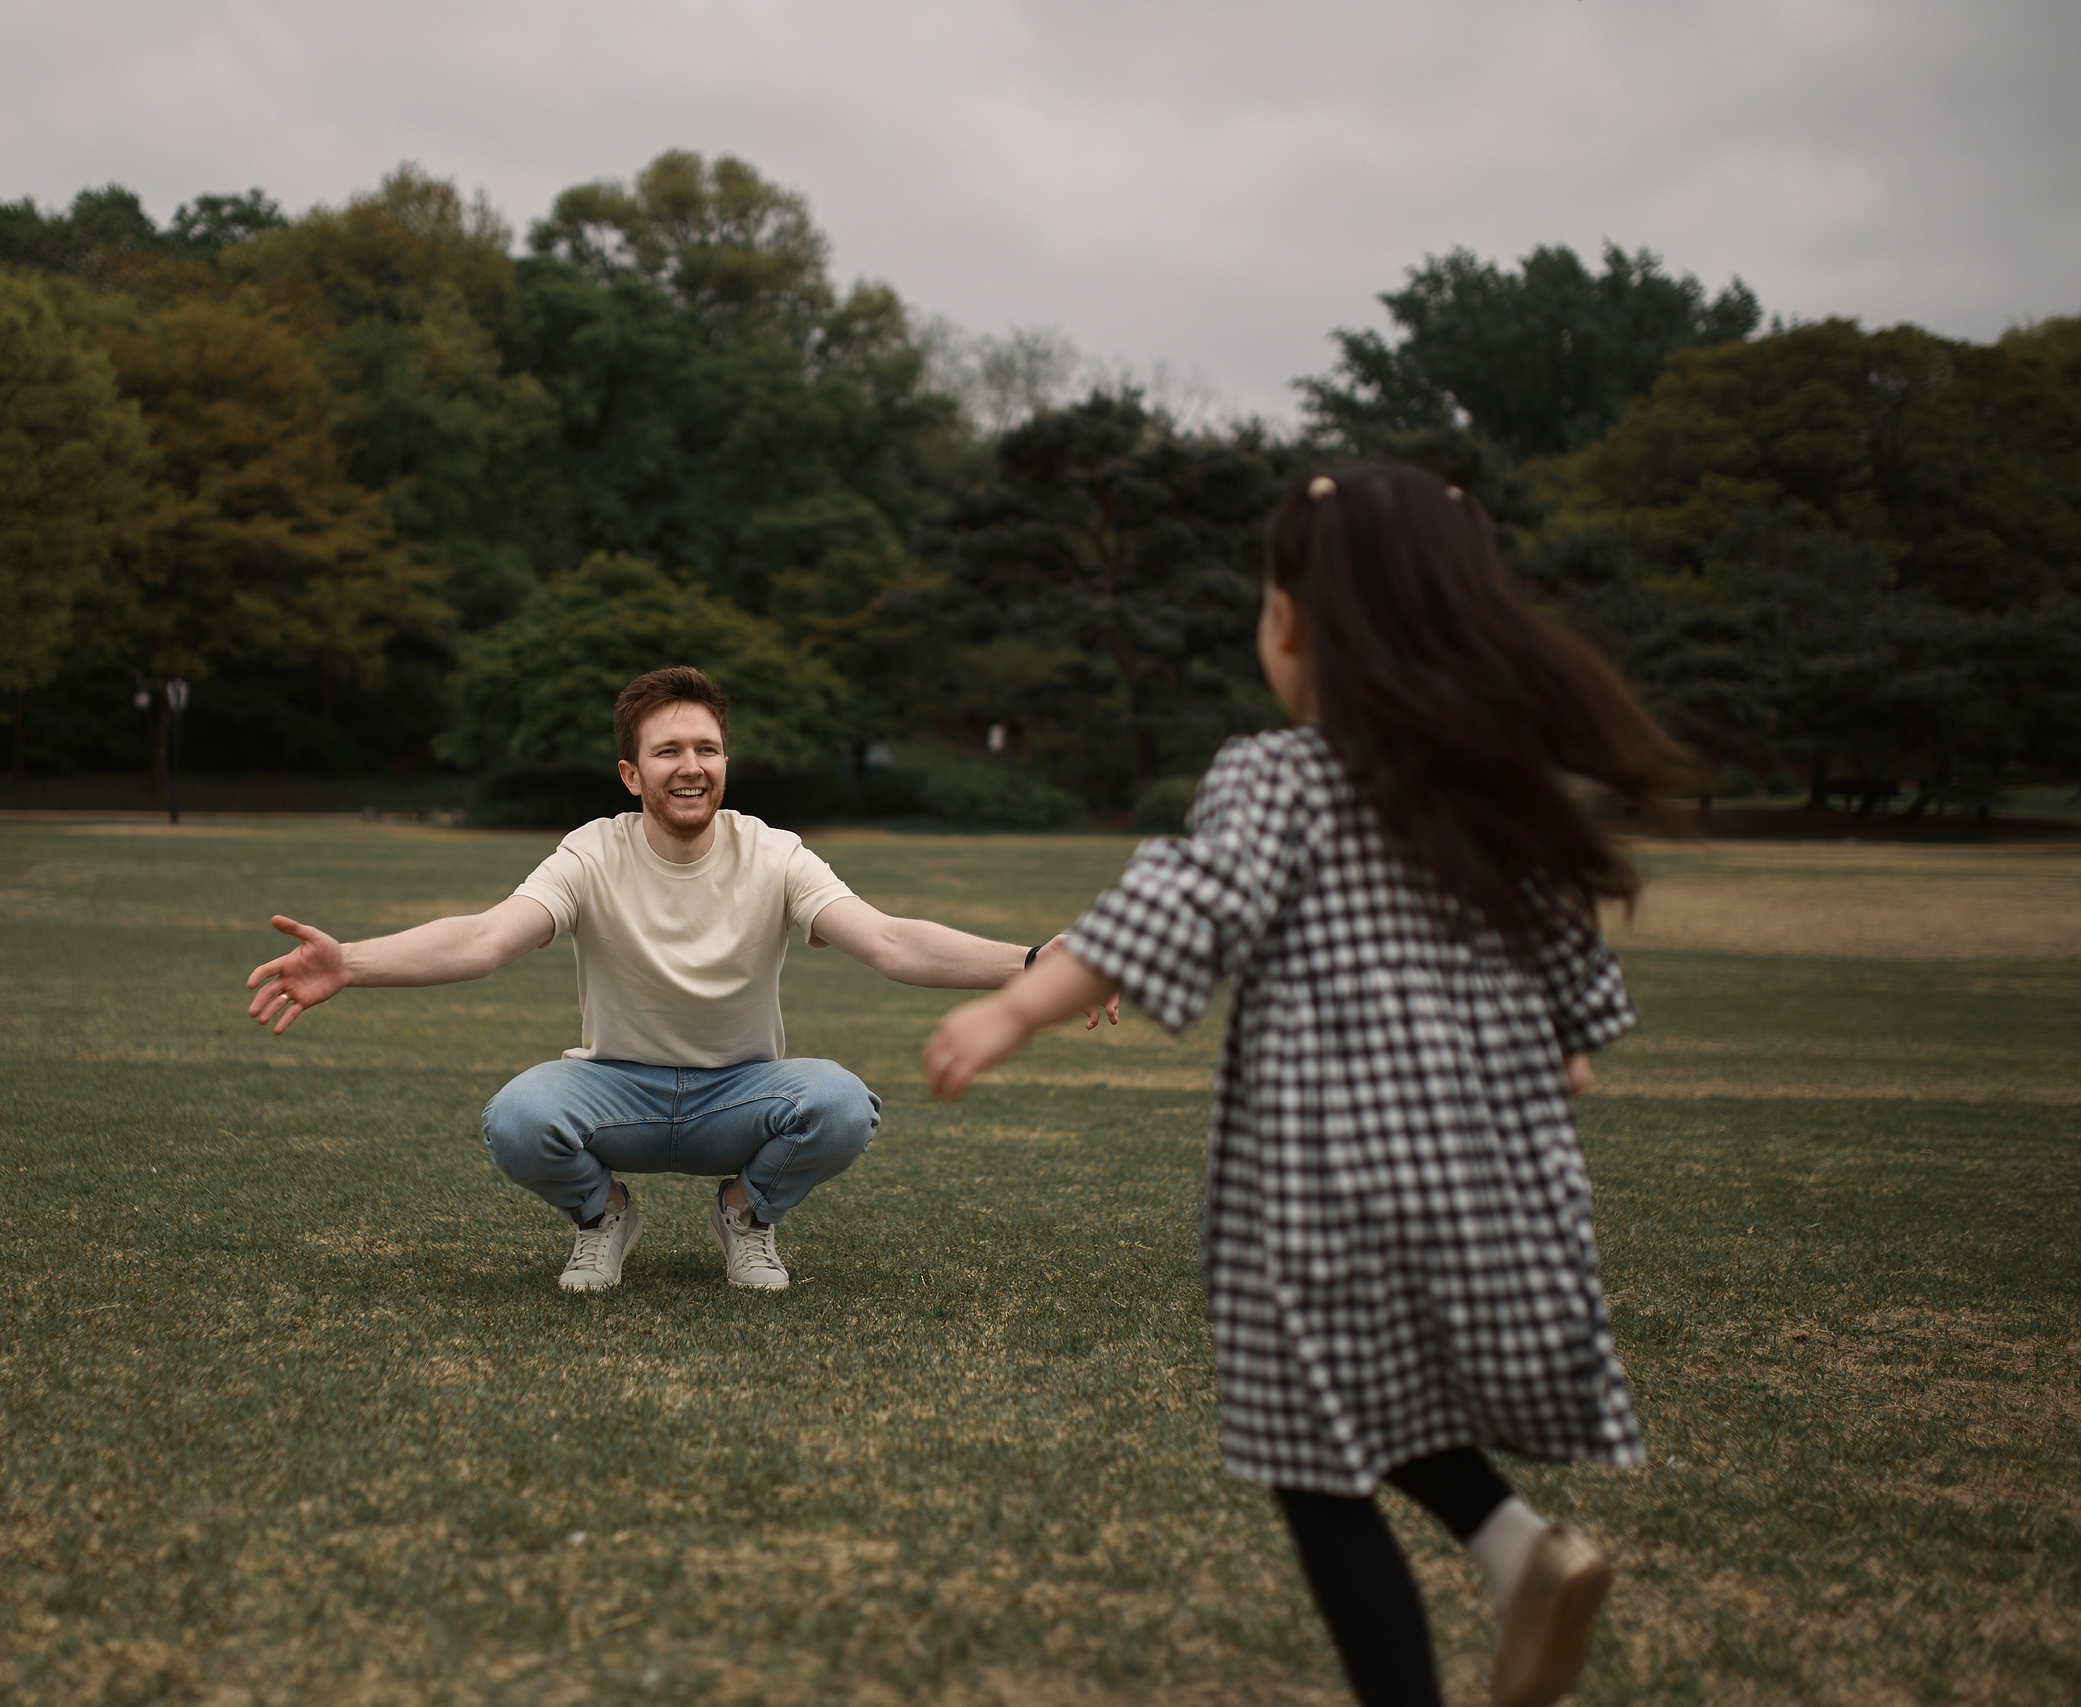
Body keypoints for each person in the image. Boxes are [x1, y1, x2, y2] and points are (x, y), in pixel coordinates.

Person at [922, 467, 1677, 1707]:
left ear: (1296, 626)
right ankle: (1516, 1548)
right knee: (1369, 1398)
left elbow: (1185, 901)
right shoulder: (1496, 797)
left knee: (1312, 1462)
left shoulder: (1282, 777)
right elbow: (1574, 1029)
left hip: (1323, 1196)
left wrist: (1012, 1007)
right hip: (1496, 1189)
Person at [247, 665, 1115, 1294]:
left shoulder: (773, 853)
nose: (691, 764)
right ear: (633, 774)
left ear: (726, 762)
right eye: (667, 751)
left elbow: (888, 940)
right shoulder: (591, 851)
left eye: (707, 746)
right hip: (612, 1089)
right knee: (517, 1117)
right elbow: (484, 938)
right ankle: (603, 1217)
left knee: (843, 1101)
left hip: (739, 1096)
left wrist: (1036, 961)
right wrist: (352, 962)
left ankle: (745, 1214)